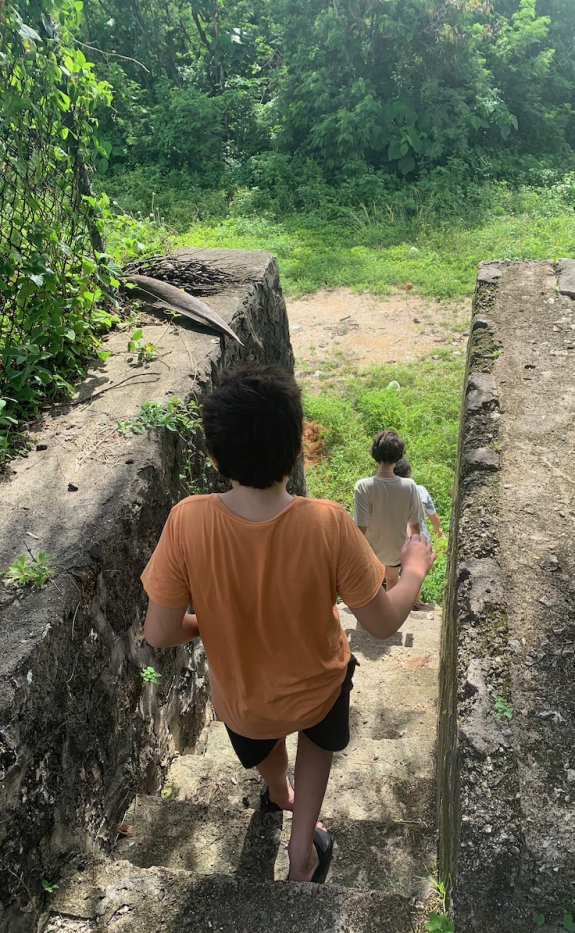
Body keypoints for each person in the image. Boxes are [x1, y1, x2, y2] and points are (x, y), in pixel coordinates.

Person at [140, 365, 435, 884]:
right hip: (316, 689)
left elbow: (160, 633)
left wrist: (211, 622)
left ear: (214, 456)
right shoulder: (327, 523)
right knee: (316, 737)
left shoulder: (186, 520)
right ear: (298, 449)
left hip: (243, 698)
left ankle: (278, 793)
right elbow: (384, 622)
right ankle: (302, 855)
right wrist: (413, 567)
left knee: (263, 736)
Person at [353, 429, 423, 591]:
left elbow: (360, 529)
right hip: (396, 551)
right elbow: (415, 526)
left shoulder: (364, 487)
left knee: (372, 585)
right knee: (392, 579)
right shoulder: (409, 486)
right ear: (399, 457)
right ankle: (390, 614)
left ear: (374, 454)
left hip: (371, 553)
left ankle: (368, 615)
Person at [393, 457, 443, 540]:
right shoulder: (420, 491)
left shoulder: (387, 495)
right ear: (409, 473)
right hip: (422, 541)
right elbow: (434, 518)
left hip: (397, 544)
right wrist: (437, 530)